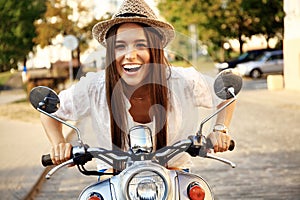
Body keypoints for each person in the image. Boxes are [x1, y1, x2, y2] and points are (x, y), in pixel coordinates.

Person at [41, 0, 236, 171]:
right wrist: (59, 144)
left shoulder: (183, 81)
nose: (130, 55)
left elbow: (226, 93)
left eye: (140, 45)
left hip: (174, 176)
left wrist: (220, 129)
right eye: (120, 46)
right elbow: (49, 110)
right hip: (112, 178)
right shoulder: (94, 87)